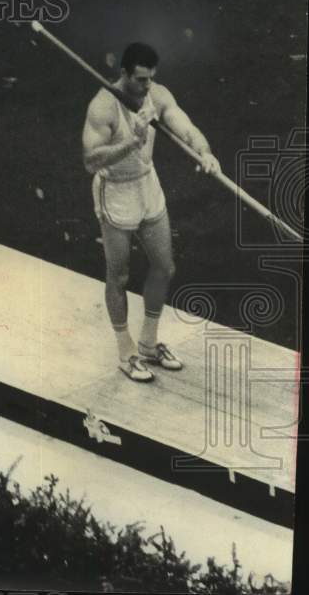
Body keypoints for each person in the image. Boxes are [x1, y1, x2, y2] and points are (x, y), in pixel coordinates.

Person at [81, 43, 221, 382]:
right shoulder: (103, 106)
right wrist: (134, 140)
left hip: (147, 184)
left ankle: (147, 343)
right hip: (115, 190)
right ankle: (126, 353)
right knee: (119, 277)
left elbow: (184, 125)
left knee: (164, 266)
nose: (147, 86)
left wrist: (204, 151)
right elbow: (90, 161)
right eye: (141, 80)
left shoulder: (156, 94)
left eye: (151, 79)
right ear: (126, 74)